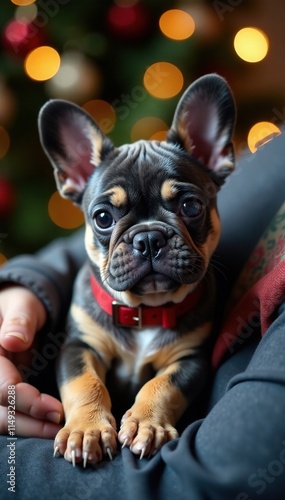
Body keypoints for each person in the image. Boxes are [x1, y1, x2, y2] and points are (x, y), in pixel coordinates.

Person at [0, 132, 285, 500]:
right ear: (74, 178)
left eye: (187, 207)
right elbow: (76, 341)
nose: (147, 243)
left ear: (214, 159)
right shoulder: (272, 156)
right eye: (106, 216)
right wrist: (26, 284)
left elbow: (215, 480)